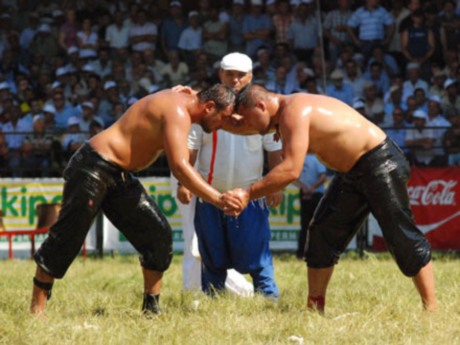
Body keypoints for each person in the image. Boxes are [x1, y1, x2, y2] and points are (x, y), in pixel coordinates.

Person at [222, 83, 437, 312]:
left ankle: (431, 308)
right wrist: (222, 122)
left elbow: (291, 170)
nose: (247, 126)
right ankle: (315, 309)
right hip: (351, 172)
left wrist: (247, 194)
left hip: (380, 162)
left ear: (261, 105)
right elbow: (256, 129)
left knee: (399, 233)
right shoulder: (283, 114)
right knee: (322, 232)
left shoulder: (294, 112)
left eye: (247, 119)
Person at [29, 84, 240, 316]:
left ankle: (151, 309)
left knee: (157, 236)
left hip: (120, 175)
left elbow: (197, 91)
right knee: (67, 238)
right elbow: (180, 167)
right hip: (93, 167)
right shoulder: (178, 111)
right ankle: (36, 310)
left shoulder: (187, 97)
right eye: (224, 117)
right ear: (209, 107)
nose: (223, 125)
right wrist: (218, 199)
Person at [176, 52, 282, 298]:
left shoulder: (261, 106)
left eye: (241, 75)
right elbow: (191, 147)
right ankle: (214, 298)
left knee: (257, 252)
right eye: (230, 74)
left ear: (251, 76)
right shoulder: (207, 107)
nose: (235, 80)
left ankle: (268, 297)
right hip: (211, 195)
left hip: (250, 197)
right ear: (220, 75)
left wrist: (276, 185)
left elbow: (275, 149)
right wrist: (185, 184)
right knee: (212, 254)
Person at [294, 153, 327, 260]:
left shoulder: (303, 158)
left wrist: (306, 188)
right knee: (310, 225)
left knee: (310, 225)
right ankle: (303, 253)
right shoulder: (315, 158)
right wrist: (308, 188)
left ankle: (307, 253)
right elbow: (323, 177)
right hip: (310, 193)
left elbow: (323, 177)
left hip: (312, 194)